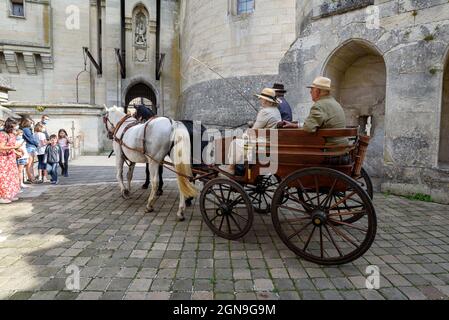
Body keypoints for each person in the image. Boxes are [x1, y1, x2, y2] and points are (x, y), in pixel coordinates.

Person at [220, 88, 282, 175]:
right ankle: (240, 167)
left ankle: (231, 168)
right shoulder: (276, 111)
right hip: (269, 141)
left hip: (262, 144)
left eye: (262, 98)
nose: (260, 100)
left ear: (268, 101)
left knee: (235, 143)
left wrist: (243, 135)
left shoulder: (265, 112)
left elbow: (253, 131)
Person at [281, 76, 348, 146]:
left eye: (312, 89)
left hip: (329, 149)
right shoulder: (334, 102)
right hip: (341, 147)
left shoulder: (319, 105)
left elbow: (308, 128)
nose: (310, 92)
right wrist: (296, 125)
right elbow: (312, 125)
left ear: (317, 91)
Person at [0, 118, 22, 204]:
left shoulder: (12, 134)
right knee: (4, 178)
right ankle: (2, 196)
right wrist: (14, 148)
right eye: (15, 125)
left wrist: (17, 151)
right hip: (3, 159)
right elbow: (1, 147)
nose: (17, 126)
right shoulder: (3, 134)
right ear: (10, 125)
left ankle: (9, 194)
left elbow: (12, 146)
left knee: (12, 177)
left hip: (10, 159)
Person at [20, 117, 40, 184]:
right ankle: (31, 178)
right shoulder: (26, 129)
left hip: (31, 147)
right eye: (31, 123)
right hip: (29, 147)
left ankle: (32, 178)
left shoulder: (28, 129)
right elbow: (30, 139)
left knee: (31, 164)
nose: (32, 124)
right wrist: (37, 144)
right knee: (29, 164)